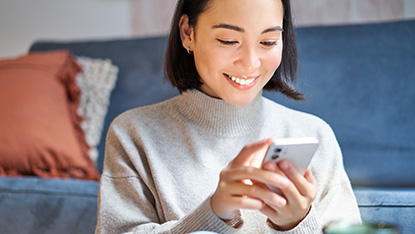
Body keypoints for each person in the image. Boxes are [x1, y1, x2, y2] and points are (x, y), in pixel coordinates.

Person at [95, 0, 361, 233]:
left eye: (268, 41)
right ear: (188, 33)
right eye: (228, 40)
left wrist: (297, 223)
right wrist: (214, 212)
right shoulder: (133, 135)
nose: (250, 62)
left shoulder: (314, 135)